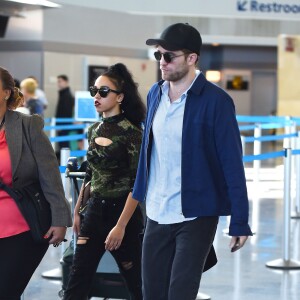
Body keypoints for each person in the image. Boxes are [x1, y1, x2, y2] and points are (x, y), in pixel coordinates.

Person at [132, 23, 253, 300]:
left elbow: (231, 163)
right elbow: (149, 152)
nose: (162, 62)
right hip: (156, 211)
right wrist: (139, 195)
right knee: (151, 292)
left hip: (196, 213)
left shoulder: (216, 101)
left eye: (169, 56)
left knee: (180, 293)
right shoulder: (155, 94)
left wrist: (240, 220)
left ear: (191, 58)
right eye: (158, 55)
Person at [63, 63, 146, 300]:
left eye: (103, 91)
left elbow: (136, 184)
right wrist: (78, 211)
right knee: (77, 280)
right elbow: (91, 175)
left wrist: (120, 226)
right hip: (94, 212)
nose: (96, 97)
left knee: (136, 283)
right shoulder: (93, 130)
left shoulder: (133, 134)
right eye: (94, 91)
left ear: (120, 96)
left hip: (125, 215)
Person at [0, 66, 72, 299]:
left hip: (21, 226)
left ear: (6, 93)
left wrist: (60, 219)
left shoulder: (27, 125)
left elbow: (49, 174)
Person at [55, 74, 75, 156]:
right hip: (62, 125)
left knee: (64, 145)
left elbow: (65, 113)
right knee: (63, 145)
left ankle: (67, 164)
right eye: (58, 82)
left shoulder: (67, 96)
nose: (58, 83)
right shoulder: (63, 94)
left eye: (60, 81)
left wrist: (60, 125)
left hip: (63, 125)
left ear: (66, 82)